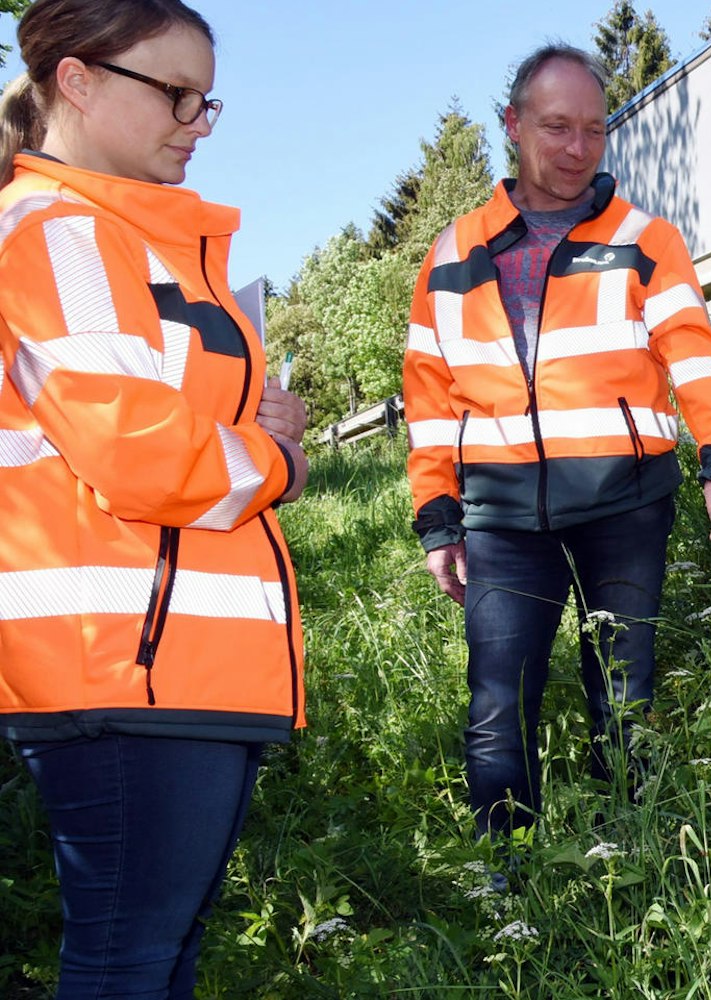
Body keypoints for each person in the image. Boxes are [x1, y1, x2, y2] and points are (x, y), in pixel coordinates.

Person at [0, 0, 310, 995]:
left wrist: (257, 424)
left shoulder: (122, 238)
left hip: (166, 663)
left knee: (152, 955)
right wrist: (278, 461)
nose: (197, 122)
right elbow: (140, 454)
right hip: (127, 667)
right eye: (176, 93)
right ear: (78, 81)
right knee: (128, 959)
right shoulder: (60, 235)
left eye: (205, 100)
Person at [403, 44, 711, 843]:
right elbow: (428, 400)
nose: (577, 148)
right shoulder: (452, 254)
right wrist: (438, 516)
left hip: (625, 502)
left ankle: (635, 862)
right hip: (500, 520)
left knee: (625, 698)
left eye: (594, 130)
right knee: (498, 706)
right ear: (513, 124)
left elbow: (694, 355)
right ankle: (508, 877)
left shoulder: (644, 238)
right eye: (557, 127)